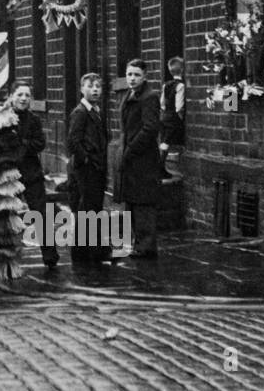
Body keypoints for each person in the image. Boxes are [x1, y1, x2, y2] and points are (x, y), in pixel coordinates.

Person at [118, 59, 163, 259]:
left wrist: (131, 149)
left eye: (136, 74)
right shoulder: (130, 95)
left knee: (144, 202)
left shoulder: (149, 97)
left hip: (143, 159)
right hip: (132, 158)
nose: (132, 78)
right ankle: (139, 243)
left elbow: (150, 128)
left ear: (145, 76)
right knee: (133, 201)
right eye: (129, 74)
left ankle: (146, 245)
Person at [66, 72, 111, 263]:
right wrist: (86, 159)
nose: (95, 90)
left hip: (97, 166)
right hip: (87, 169)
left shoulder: (96, 111)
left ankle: (94, 249)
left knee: (93, 207)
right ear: (82, 89)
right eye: (90, 86)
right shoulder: (80, 112)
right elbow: (73, 141)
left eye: (98, 87)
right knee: (87, 208)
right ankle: (84, 251)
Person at [9, 81, 55, 269]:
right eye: (20, 95)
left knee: (40, 213)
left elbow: (40, 143)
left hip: (30, 172)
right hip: (8, 174)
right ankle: (5, 257)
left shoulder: (34, 120)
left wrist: (22, 144)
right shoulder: (3, 117)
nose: (23, 99)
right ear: (12, 96)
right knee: (5, 217)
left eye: (27, 95)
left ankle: (50, 256)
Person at [0, 98, 27, 283]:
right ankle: (0, 266)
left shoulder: (10, 135)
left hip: (6, 179)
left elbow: (14, 153)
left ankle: (7, 265)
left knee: (6, 220)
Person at [159, 56, 186, 182]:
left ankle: (161, 167)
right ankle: (159, 168)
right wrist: (180, 118)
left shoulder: (166, 85)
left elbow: (162, 103)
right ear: (183, 70)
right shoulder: (180, 86)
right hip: (173, 119)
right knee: (166, 143)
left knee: (164, 141)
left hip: (164, 117)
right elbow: (179, 106)